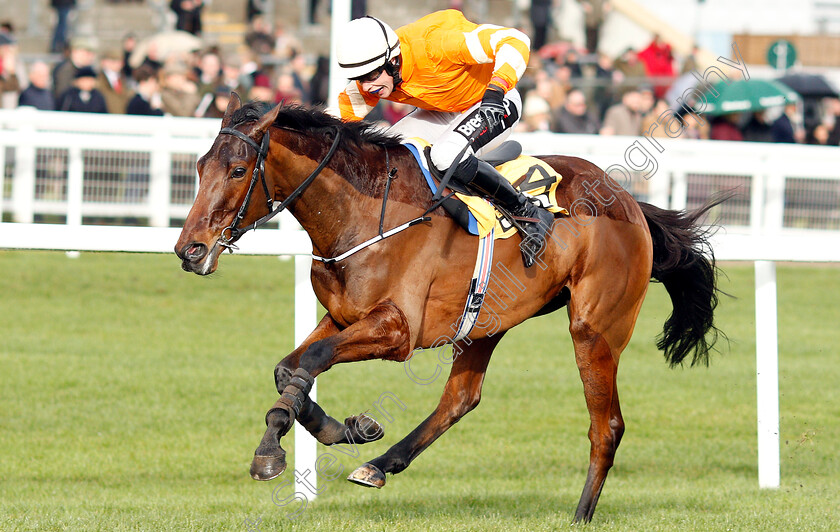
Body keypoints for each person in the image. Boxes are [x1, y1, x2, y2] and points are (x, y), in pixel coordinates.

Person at [334, 11, 554, 267]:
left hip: (494, 103)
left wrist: (496, 89)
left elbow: (515, 40)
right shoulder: (375, 75)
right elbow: (335, 124)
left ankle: (528, 212)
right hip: (444, 111)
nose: (367, 86)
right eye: (360, 78)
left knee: (444, 156)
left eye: (371, 76)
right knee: (390, 155)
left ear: (393, 60)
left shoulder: (437, 45)